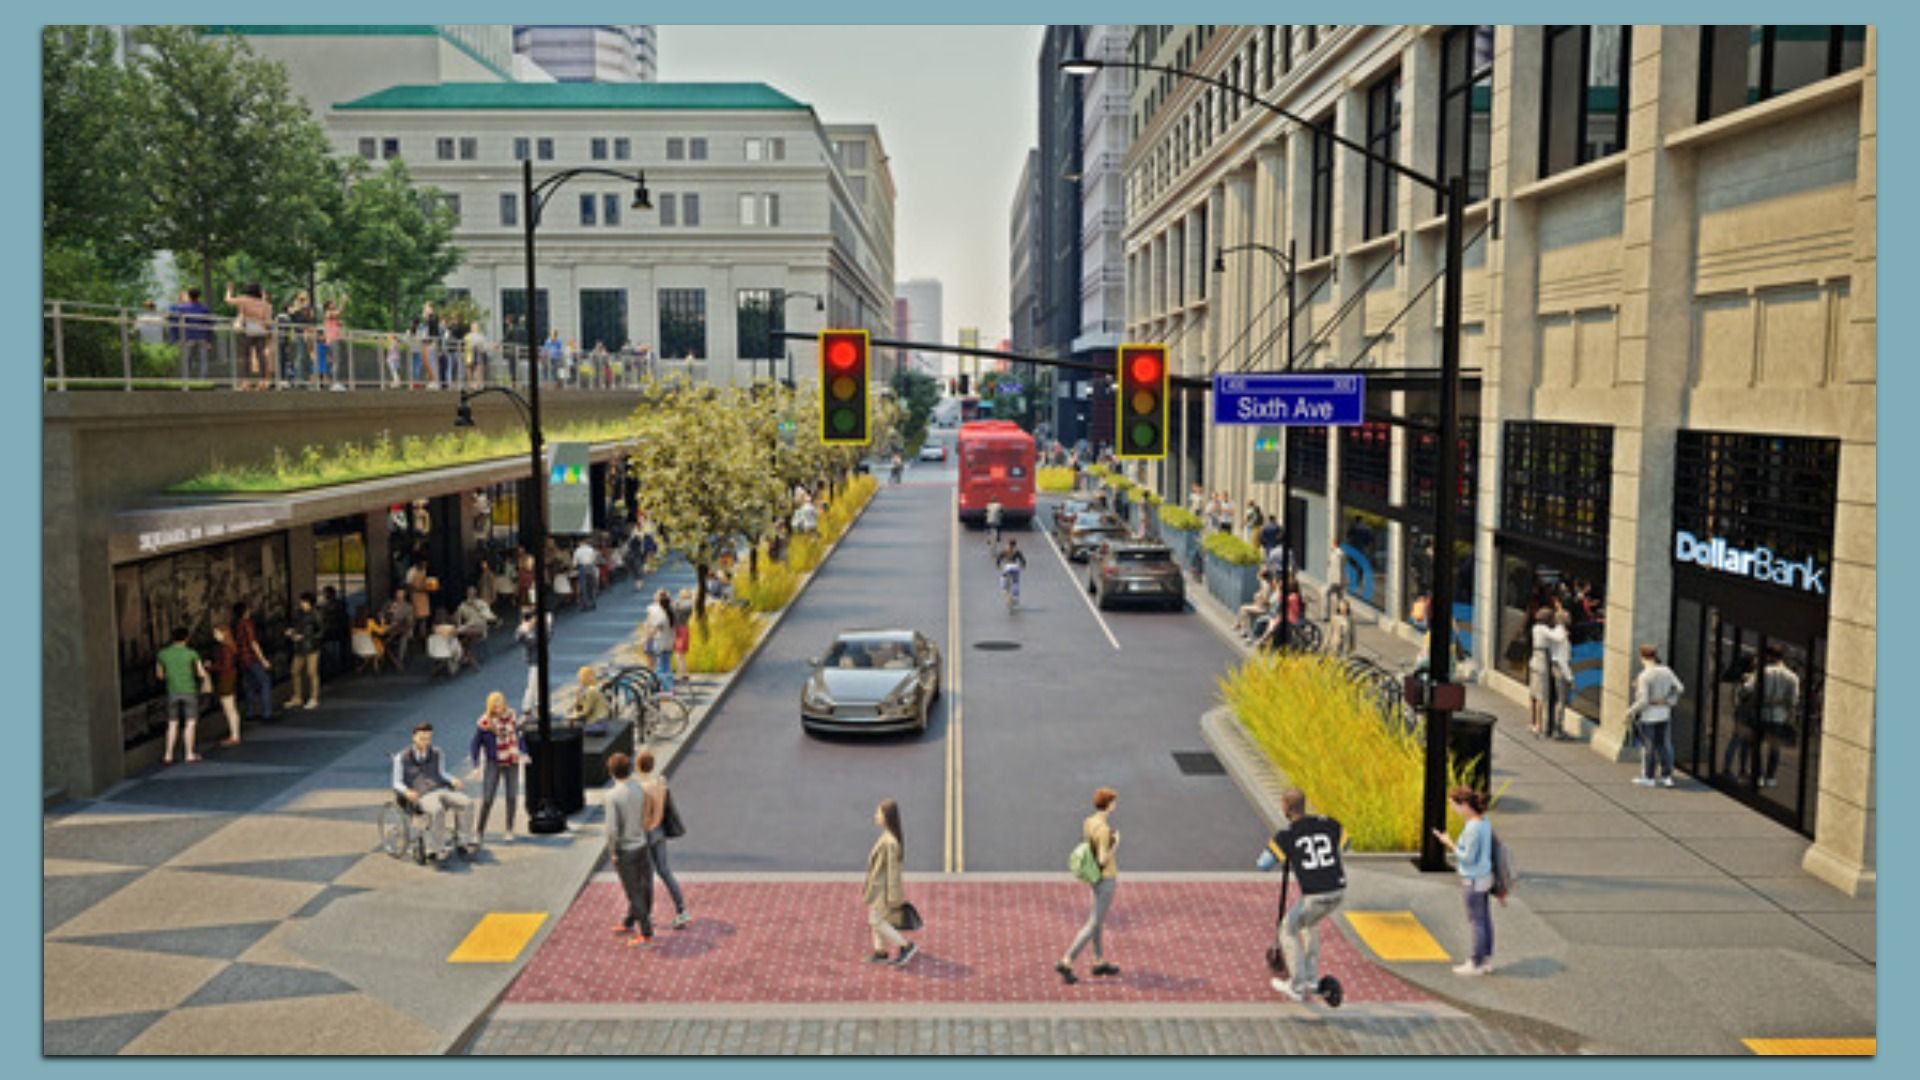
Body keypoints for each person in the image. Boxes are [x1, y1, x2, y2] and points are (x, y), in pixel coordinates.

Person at [1257, 788, 1349, 1003]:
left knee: (1287, 929)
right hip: (1338, 890)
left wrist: (1283, 849)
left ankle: (1297, 985)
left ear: (1286, 808)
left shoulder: (1287, 836)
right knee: (1309, 923)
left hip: (1315, 895)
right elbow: (1347, 845)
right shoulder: (1329, 824)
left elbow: (1263, 865)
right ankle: (1311, 978)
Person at [1056, 787, 1121, 984]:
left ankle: (1098, 960)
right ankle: (1067, 960)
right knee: (1093, 923)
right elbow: (1102, 859)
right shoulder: (1102, 830)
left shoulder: (1089, 822)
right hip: (1105, 878)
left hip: (1094, 878)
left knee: (1097, 921)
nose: (1115, 805)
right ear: (1108, 805)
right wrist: (1116, 843)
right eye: (1113, 802)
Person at [1432, 786, 1498, 976]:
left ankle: (1475, 963)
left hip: (1473, 879)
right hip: (1485, 876)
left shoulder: (1472, 828)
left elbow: (1467, 857)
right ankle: (1486, 959)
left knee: (1476, 920)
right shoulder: (1484, 822)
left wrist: (1449, 843)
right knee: (1485, 918)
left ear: (1465, 805)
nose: (1453, 809)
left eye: (1454, 805)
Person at [391, 722, 477, 861]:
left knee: (467, 803)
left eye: (428, 738)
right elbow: (396, 782)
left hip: (440, 788)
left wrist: (453, 779)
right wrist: (406, 791)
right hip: (422, 793)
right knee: (437, 810)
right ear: (414, 737)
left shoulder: (437, 752)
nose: (425, 742)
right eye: (422, 738)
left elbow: (442, 773)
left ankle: (464, 841)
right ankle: (434, 848)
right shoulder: (402, 757)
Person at [604, 752, 660, 947]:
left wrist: (612, 851)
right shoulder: (638, 788)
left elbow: (612, 829)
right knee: (644, 885)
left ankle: (646, 932)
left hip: (625, 849)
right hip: (641, 843)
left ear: (611, 772)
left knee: (633, 890)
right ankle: (629, 921)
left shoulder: (612, 796)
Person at [636, 750, 691, 930]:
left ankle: (648, 915)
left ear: (638, 765)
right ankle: (681, 910)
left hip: (646, 832)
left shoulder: (640, 787)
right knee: (665, 871)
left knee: (648, 876)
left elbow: (642, 816)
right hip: (660, 830)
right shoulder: (661, 782)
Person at [862, 798, 918, 966]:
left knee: (876, 921)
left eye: (878, 813)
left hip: (883, 891)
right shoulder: (887, 837)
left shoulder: (890, 842)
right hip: (877, 889)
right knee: (876, 919)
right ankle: (881, 952)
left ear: (887, 817)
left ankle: (906, 946)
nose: (875, 816)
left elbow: (893, 872)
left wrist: (893, 896)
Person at [467, 692, 525, 843]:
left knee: (512, 796)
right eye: (495, 705)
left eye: (500, 704)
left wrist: (524, 752)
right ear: (490, 706)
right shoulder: (485, 723)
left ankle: (509, 829)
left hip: (511, 759)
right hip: (494, 761)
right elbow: (475, 744)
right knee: (487, 798)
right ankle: (479, 831)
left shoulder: (512, 717)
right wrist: (476, 765)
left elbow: (519, 736)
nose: (498, 707)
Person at [1626, 643, 1684, 788]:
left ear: (1642, 657)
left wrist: (1630, 711)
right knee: (1665, 745)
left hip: (1649, 716)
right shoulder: (1666, 671)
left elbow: (1643, 701)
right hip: (1664, 713)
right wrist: (1669, 700)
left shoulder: (1644, 676)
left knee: (1649, 746)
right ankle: (1666, 775)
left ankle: (1649, 776)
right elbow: (1680, 688)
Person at [1748, 644, 1802, 789]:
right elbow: (1794, 700)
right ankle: (1770, 777)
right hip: (1779, 716)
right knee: (1775, 748)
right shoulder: (1792, 677)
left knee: (1756, 746)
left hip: (1762, 713)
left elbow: (1748, 688)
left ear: (1769, 656)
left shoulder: (1762, 672)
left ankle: (1758, 775)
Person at [154, 627, 209, 765]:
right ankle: (189, 754)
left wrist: (172, 675)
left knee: (172, 723)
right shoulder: (192, 653)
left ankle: (168, 755)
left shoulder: (162, 654)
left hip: (172, 691)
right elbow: (201, 673)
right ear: (186, 638)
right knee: (190, 722)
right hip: (189, 691)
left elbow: (159, 675)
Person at [225, 282, 274, 391]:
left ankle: (246, 382)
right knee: (261, 356)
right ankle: (263, 381)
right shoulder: (264, 304)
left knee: (245, 356)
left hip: (248, 330)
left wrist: (229, 290)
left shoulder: (244, 300)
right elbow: (268, 322)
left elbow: (228, 300)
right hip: (261, 331)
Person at [231, 601, 273, 725]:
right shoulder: (247, 623)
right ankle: (267, 713)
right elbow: (253, 642)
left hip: (242, 658)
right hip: (251, 657)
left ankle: (250, 712)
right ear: (244, 612)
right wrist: (263, 659)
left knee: (249, 685)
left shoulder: (235, 624)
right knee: (265, 682)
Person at [285, 592, 323, 710]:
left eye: (303, 601)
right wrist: (291, 632)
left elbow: (321, 632)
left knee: (311, 673)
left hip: (312, 648)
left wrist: (305, 637)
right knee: (294, 671)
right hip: (299, 647)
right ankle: (297, 697)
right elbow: (296, 627)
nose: (301, 603)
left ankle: (314, 698)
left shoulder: (316, 614)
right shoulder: (299, 614)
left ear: (309, 602)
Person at [209, 623, 244, 745]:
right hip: (230, 677)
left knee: (229, 708)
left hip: (225, 678)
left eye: (216, 633)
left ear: (223, 633)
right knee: (231, 707)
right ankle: (235, 734)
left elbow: (224, 666)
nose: (215, 635)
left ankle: (234, 735)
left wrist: (210, 666)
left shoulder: (224, 648)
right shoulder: (230, 647)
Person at [1526, 610, 1558, 739]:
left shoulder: (1535, 628)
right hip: (1541, 661)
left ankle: (1532, 721)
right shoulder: (1544, 629)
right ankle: (1539, 724)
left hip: (1534, 659)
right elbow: (1557, 637)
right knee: (1540, 695)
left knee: (1533, 693)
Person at [169, 288, 215, 380]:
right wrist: (209, 339)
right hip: (202, 337)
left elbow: (175, 320)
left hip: (188, 336)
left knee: (186, 359)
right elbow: (209, 324)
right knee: (203, 359)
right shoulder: (204, 309)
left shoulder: (183, 308)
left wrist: (176, 337)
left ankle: (185, 378)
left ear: (189, 296)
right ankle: (203, 378)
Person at [516, 607, 553, 715]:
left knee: (539, 683)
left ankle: (539, 704)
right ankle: (527, 706)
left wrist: (548, 626)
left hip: (542, 658)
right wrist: (526, 628)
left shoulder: (539, 627)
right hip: (534, 660)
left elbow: (548, 638)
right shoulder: (525, 629)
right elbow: (525, 640)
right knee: (532, 684)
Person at [1547, 611, 1575, 740]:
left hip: (1555, 666)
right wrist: (1570, 678)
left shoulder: (1554, 633)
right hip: (1561, 669)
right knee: (1561, 700)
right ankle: (1558, 730)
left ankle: (1555, 727)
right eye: (1568, 617)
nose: (1570, 619)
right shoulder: (1562, 636)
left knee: (1558, 699)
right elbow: (1563, 660)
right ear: (1564, 620)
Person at [645, 590, 676, 694]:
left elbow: (653, 631)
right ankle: (671, 688)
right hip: (669, 643)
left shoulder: (662, 617)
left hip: (660, 644)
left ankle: (665, 689)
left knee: (660, 669)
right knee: (667, 667)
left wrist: (648, 637)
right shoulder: (671, 614)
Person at [572, 536, 601, 611]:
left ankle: (585, 604)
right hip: (591, 567)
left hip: (583, 568)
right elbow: (595, 559)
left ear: (580, 543)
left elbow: (574, 563)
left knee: (583, 587)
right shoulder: (591, 549)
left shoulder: (577, 551)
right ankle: (593, 602)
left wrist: (575, 566)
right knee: (591, 585)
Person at [997, 538, 1027, 606]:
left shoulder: (1005, 550)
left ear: (1008, 544)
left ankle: (1004, 588)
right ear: (1015, 545)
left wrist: (998, 565)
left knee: (1003, 577)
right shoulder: (1017, 551)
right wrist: (1023, 565)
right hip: (1015, 567)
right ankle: (1016, 597)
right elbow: (1022, 559)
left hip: (1007, 567)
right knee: (1016, 582)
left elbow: (999, 558)